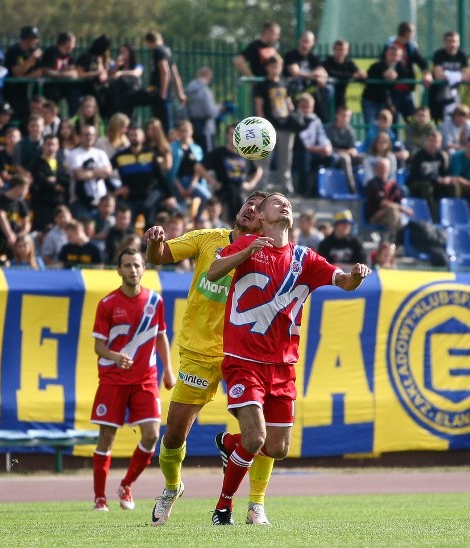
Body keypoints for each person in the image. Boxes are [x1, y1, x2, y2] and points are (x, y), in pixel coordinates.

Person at [207, 192, 371, 524]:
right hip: (243, 359)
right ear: (262, 216)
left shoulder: (305, 258)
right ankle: (224, 506)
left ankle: (230, 444)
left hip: (282, 366)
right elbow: (212, 273)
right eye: (276, 202)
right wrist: (245, 252)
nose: (285, 205)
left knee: (278, 448)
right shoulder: (247, 244)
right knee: (256, 438)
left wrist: (356, 276)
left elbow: (342, 282)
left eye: (288, 203)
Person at [144, 192, 278, 526]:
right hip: (200, 351)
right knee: (174, 435)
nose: (250, 208)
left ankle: (256, 504)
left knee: (263, 433)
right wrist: (154, 241)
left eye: (259, 207)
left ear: (265, 219)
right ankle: (173, 486)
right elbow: (160, 256)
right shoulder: (208, 239)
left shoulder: (273, 254)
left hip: (246, 354)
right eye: (247, 202)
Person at [89, 247, 174, 512]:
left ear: (143, 269)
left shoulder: (154, 301)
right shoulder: (107, 304)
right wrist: (115, 357)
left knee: (151, 435)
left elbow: (160, 336)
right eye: (127, 265)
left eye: (137, 265)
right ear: (119, 270)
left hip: (144, 379)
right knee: (106, 438)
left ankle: (126, 485)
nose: (133, 270)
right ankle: (99, 497)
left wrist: (168, 369)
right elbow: (98, 346)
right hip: (113, 379)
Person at [122, 31, 186, 131]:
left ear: (149, 41)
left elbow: (165, 71)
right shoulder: (168, 51)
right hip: (165, 93)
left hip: (157, 91)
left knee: (129, 98)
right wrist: (180, 94)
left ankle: (130, 124)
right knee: (164, 123)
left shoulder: (158, 51)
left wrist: (163, 94)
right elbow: (175, 75)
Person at [203, 123, 263, 224]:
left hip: (240, 193)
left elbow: (258, 170)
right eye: (231, 134)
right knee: (223, 224)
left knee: (241, 223)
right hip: (223, 193)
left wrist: (250, 184)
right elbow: (199, 167)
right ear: (227, 135)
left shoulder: (245, 153)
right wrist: (212, 181)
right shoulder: (219, 153)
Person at [254, 56, 295, 194]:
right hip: (270, 126)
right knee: (266, 158)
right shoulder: (263, 85)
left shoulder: (285, 83)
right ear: (267, 68)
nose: (275, 69)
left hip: (285, 126)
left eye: (277, 66)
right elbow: (259, 106)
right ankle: (262, 184)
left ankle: (286, 185)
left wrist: (292, 114)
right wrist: (262, 123)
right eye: (272, 66)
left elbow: (289, 103)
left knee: (286, 158)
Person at [381, 22, 433, 123]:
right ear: (407, 32)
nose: (413, 34)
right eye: (412, 31)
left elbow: (421, 62)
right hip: (393, 91)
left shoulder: (410, 46)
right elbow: (383, 63)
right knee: (393, 120)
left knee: (412, 121)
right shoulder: (390, 44)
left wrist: (426, 73)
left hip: (406, 90)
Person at [283, 31, 332, 123]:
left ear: (312, 43)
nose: (305, 43)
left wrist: (320, 77)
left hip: (309, 88)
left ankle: (323, 120)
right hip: (294, 89)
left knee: (328, 89)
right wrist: (313, 75)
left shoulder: (313, 56)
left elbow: (323, 72)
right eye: (304, 40)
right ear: (299, 41)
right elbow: (295, 72)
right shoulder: (291, 55)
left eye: (308, 41)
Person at [292, 93, 334, 197]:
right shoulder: (294, 119)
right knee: (305, 158)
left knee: (331, 158)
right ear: (299, 106)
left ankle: (319, 188)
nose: (307, 110)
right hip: (298, 153)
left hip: (314, 151)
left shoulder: (315, 120)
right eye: (304, 107)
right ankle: (304, 191)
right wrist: (318, 150)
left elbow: (322, 136)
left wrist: (327, 147)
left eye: (309, 107)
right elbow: (304, 144)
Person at [407, 128, 453, 221]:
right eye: (431, 141)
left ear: (440, 143)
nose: (433, 144)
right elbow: (415, 175)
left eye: (436, 141)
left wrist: (447, 179)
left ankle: (451, 215)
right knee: (427, 186)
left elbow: (445, 173)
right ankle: (430, 217)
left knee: (453, 185)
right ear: (426, 141)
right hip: (418, 183)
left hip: (436, 183)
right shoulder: (418, 156)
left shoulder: (442, 156)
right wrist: (435, 179)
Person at [364, 159, 411, 242]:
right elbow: (382, 203)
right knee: (392, 209)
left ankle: (394, 242)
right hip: (375, 217)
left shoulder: (393, 185)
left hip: (390, 216)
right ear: (375, 169)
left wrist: (397, 208)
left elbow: (398, 201)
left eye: (385, 168)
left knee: (395, 213)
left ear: (389, 170)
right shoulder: (372, 184)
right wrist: (403, 209)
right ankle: (393, 241)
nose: (383, 170)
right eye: (380, 167)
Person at [429, 31, 470, 122]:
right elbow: (438, 75)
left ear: (458, 42)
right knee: (437, 122)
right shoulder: (439, 54)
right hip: (437, 96)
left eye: (455, 41)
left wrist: (447, 74)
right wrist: (458, 76)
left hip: (454, 96)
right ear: (444, 42)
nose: (452, 44)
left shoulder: (462, 55)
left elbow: (467, 75)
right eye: (449, 41)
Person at [0, 173, 31, 259]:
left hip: (14, 239)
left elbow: (27, 223)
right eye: (26, 188)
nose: (27, 191)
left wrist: (21, 235)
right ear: (18, 187)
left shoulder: (21, 203)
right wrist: (9, 235)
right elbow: (1, 217)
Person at [184, 66, 220, 154]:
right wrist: (219, 108)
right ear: (209, 77)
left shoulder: (189, 90)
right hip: (205, 128)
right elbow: (209, 111)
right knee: (207, 154)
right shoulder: (204, 91)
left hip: (192, 124)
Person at [322, 39, 366, 110]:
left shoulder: (349, 63)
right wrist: (351, 75)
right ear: (334, 49)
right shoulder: (327, 62)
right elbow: (331, 74)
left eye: (343, 50)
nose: (341, 52)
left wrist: (362, 73)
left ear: (347, 51)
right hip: (327, 96)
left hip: (341, 96)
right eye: (339, 49)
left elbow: (358, 72)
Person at [324, 106, 359, 193]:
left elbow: (352, 147)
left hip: (347, 155)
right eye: (343, 115)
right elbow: (327, 148)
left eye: (348, 116)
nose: (346, 119)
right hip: (333, 157)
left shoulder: (350, 131)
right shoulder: (328, 129)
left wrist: (353, 151)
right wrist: (344, 152)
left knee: (366, 158)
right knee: (345, 158)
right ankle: (352, 189)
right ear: (337, 116)